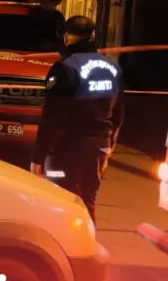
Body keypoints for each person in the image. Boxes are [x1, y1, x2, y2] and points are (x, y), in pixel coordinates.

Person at [31, 15, 124, 223]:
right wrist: (109, 144)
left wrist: (38, 156)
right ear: (93, 36)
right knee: (88, 201)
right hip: (99, 146)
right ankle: (88, 240)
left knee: (61, 200)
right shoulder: (113, 68)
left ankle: (64, 241)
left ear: (66, 37)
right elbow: (119, 112)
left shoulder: (65, 68)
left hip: (67, 147)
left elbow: (52, 117)